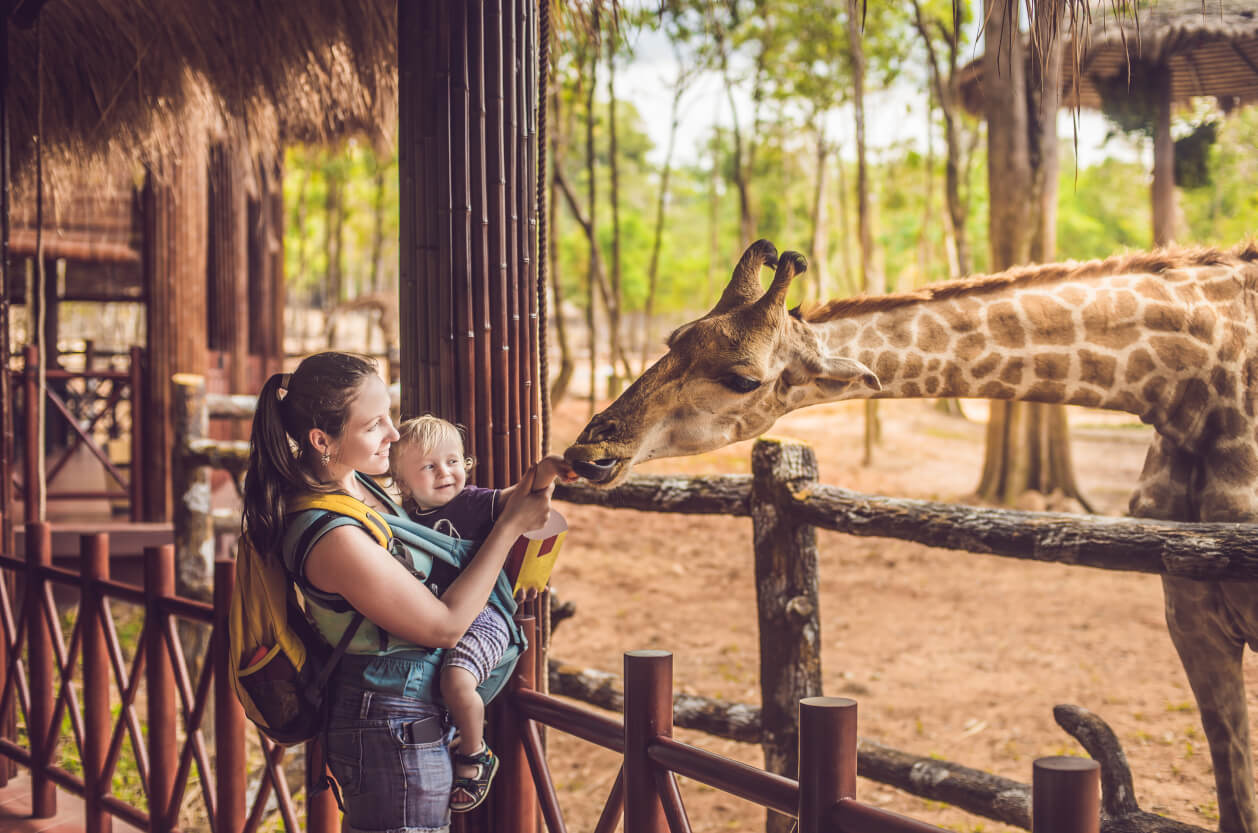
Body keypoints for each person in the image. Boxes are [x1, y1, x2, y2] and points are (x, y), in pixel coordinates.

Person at [241, 352, 555, 832]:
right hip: (390, 726)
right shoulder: (331, 534)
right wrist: (509, 528)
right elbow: (446, 626)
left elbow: (445, 511)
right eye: (374, 426)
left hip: (407, 714)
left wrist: (526, 490)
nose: (393, 434)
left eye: (390, 414)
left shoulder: (359, 484)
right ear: (321, 439)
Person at [388, 415, 575, 812]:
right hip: (437, 616)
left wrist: (545, 471)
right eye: (429, 466)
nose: (446, 473)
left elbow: (519, 495)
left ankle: (475, 754)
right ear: (402, 483)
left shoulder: (472, 502)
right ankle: (453, 732)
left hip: (484, 615)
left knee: (457, 682)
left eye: (454, 461)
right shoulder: (401, 519)